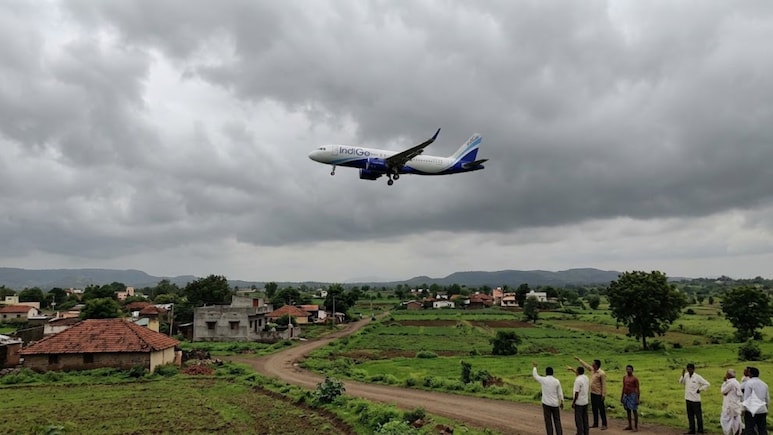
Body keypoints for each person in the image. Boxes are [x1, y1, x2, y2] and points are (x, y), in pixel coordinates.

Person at [575, 356, 608, 430]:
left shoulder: (601, 373)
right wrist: (579, 360)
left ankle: (604, 424)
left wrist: (603, 394)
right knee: (594, 409)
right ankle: (595, 423)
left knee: (601, 409)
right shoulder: (593, 370)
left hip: (599, 394)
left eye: (593, 363)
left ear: (597, 365)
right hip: (593, 393)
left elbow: (604, 384)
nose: (592, 364)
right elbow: (586, 366)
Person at [533, 361, 564, 435]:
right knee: (557, 420)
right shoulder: (556, 381)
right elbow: (560, 392)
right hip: (555, 404)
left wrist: (535, 367)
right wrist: (562, 402)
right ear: (553, 373)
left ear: (546, 373)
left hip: (546, 404)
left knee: (548, 421)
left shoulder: (544, 380)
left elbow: (535, 376)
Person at [680, 363, 710, 434]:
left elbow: (707, 384)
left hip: (695, 400)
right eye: (688, 369)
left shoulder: (697, 377)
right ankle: (692, 429)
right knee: (690, 416)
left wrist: (700, 389)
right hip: (688, 398)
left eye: (690, 369)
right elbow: (681, 382)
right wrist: (682, 375)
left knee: (698, 416)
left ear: (693, 369)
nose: (689, 371)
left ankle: (700, 430)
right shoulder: (686, 375)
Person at [742, 366, 769, 435]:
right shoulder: (764, 384)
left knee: (749, 429)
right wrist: (766, 408)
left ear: (751, 374)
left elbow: (746, 398)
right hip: (762, 409)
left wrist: (743, 409)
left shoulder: (749, 383)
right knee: (762, 429)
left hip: (751, 410)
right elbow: (767, 399)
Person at [720, 368, 743, 435]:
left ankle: (731, 432)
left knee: (726, 420)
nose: (725, 375)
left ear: (729, 375)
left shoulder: (730, 383)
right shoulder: (736, 382)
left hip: (730, 405)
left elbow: (723, 391)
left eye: (726, 373)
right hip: (735, 404)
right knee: (735, 419)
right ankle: (736, 432)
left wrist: (724, 382)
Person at [570, 365, 590, 435]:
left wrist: (573, 402)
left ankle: (580, 432)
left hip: (579, 402)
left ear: (577, 372)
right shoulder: (586, 377)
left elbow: (576, 393)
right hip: (585, 401)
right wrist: (572, 369)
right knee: (585, 419)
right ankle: (586, 432)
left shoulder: (577, 380)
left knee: (579, 420)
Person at [621, 364, 640, 432]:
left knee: (634, 410)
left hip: (632, 395)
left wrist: (637, 398)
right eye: (627, 369)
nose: (628, 370)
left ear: (632, 370)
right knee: (628, 411)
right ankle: (630, 425)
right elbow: (623, 387)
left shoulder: (635, 378)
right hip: (626, 395)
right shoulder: (624, 377)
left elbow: (637, 389)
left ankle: (636, 426)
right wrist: (622, 396)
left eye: (630, 369)